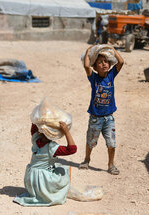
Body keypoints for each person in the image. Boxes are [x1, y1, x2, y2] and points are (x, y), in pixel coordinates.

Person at [79, 45, 124, 175]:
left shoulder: (111, 75)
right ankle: (87, 160)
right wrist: (88, 51)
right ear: (95, 66)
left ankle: (111, 165)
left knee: (112, 143)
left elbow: (121, 62)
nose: (104, 64)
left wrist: (112, 48)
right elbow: (86, 66)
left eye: (106, 61)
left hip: (109, 118)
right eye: (100, 62)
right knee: (91, 141)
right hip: (95, 117)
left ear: (109, 63)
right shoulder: (93, 78)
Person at [13, 122, 77, 206]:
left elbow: (34, 128)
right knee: (63, 169)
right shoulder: (51, 147)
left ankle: (35, 192)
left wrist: (39, 120)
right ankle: (51, 192)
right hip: (42, 181)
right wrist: (66, 131)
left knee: (55, 166)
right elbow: (72, 149)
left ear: (40, 132)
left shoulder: (35, 140)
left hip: (30, 179)